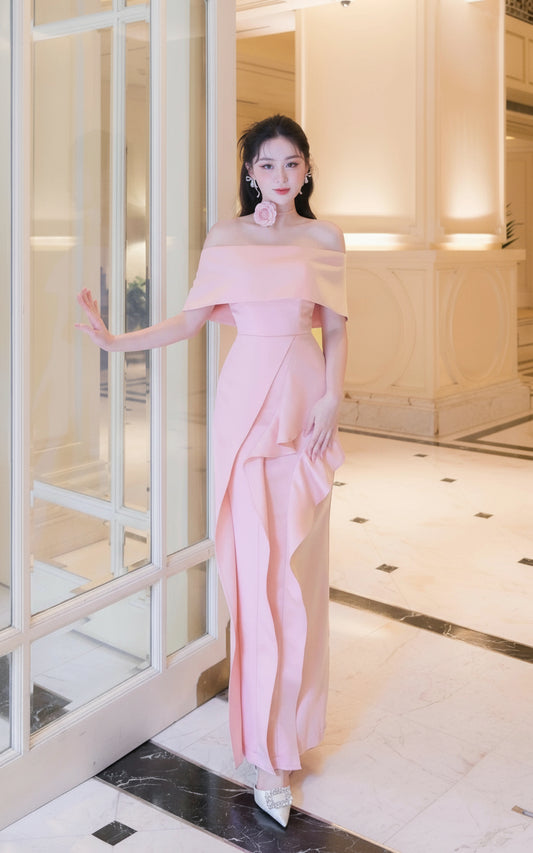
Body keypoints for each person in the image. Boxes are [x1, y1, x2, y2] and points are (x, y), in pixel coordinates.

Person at [77, 114, 347, 828]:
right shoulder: (225, 237)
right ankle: (264, 753)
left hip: (302, 402)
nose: (281, 176)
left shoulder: (325, 238)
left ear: (307, 169)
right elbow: (189, 322)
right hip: (244, 403)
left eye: (293, 164)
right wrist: (116, 340)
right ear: (250, 171)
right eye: (268, 165)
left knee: (297, 574)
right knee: (253, 576)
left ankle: (290, 728)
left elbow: (336, 325)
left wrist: (330, 397)